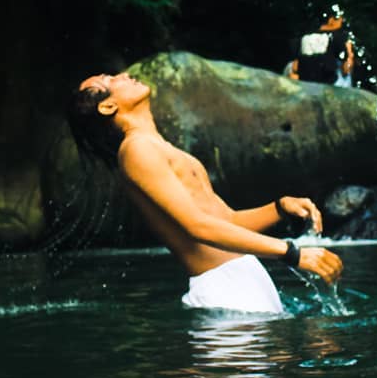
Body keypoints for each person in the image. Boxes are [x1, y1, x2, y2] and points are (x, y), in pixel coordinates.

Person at [67, 72, 344, 314]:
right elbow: (196, 227)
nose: (123, 75)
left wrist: (279, 207)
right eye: (110, 80)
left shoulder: (157, 147)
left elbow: (226, 223)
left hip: (243, 279)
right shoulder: (136, 150)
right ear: (108, 106)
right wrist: (292, 253)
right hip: (223, 287)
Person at [292, 12, 355, 87]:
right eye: (341, 20)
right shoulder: (338, 36)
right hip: (328, 84)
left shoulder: (304, 35)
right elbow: (346, 69)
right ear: (331, 20)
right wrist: (350, 53)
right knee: (345, 67)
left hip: (305, 82)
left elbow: (295, 67)